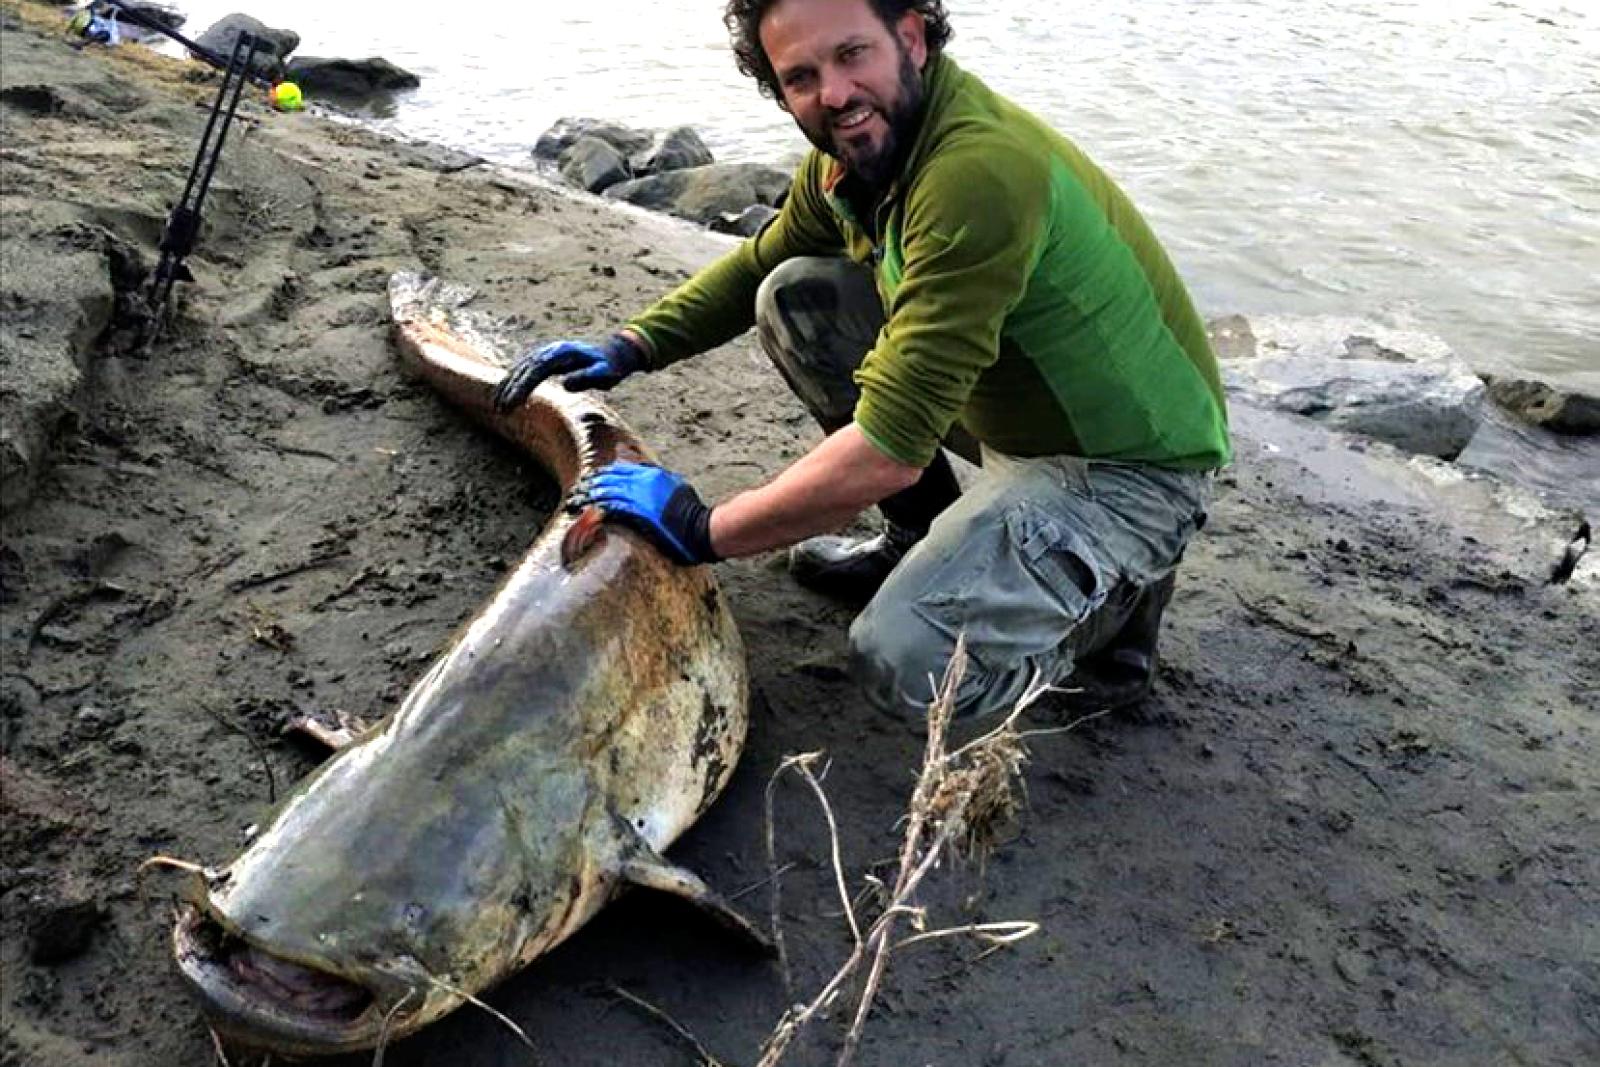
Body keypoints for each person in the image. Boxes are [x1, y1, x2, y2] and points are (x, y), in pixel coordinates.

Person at [494, 0, 1230, 721]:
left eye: (852, 55)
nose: (835, 95)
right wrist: (631, 346)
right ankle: (920, 535)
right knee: (797, 297)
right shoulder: (852, 159)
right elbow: (762, 260)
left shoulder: (977, 173)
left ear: (910, 36)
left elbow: (888, 450)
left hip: (1129, 466)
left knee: (905, 663)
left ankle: (1114, 606)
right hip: (1016, 408)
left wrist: (705, 527)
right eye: (801, 76)